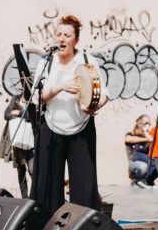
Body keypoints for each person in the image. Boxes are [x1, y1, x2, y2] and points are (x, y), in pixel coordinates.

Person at [32, 14, 109, 215]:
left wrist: (92, 107)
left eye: (67, 35)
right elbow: (37, 97)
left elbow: (104, 94)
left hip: (81, 129)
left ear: (76, 40)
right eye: (58, 34)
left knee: (84, 185)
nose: (61, 39)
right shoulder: (47, 63)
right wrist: (60, 87)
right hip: (51, 128)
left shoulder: (86, 60)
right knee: (49, 185)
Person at [0, 95, 35, 198]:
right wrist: (19, 116)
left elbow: (30, 116)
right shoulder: (16, 98)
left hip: (30, 140)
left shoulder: (33, 97)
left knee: (32, 170)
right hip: (18, 140)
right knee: (20, 170)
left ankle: (35, 195)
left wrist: (18, 112)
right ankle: (25, 197)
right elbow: (6, 115)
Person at [125, 114, 158, 188]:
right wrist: (146, 139)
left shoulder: (147, 134)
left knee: (157, 163)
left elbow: (152, 140)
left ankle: (146, 181)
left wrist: (146, 133)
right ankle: (138, 180)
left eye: (149, 123)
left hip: (146, 159)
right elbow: (128, 139)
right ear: (139, 122)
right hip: (134, 160)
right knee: (144, 166)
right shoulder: (131, 133)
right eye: (146, 123)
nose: (147, 125)